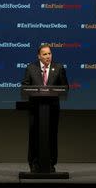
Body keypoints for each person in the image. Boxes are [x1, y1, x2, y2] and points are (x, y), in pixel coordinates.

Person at [21, 44, 69, 173]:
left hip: (52, 109)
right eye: (45, 54)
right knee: (34, 136)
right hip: (35, 109)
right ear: (39, 56)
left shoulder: (58, 68)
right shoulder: (31, 68)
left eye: (50, 53)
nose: (48, 56)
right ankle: (34, 163)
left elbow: (65, 87)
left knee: (52, 135)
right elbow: (25, 86)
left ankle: (51, 163)